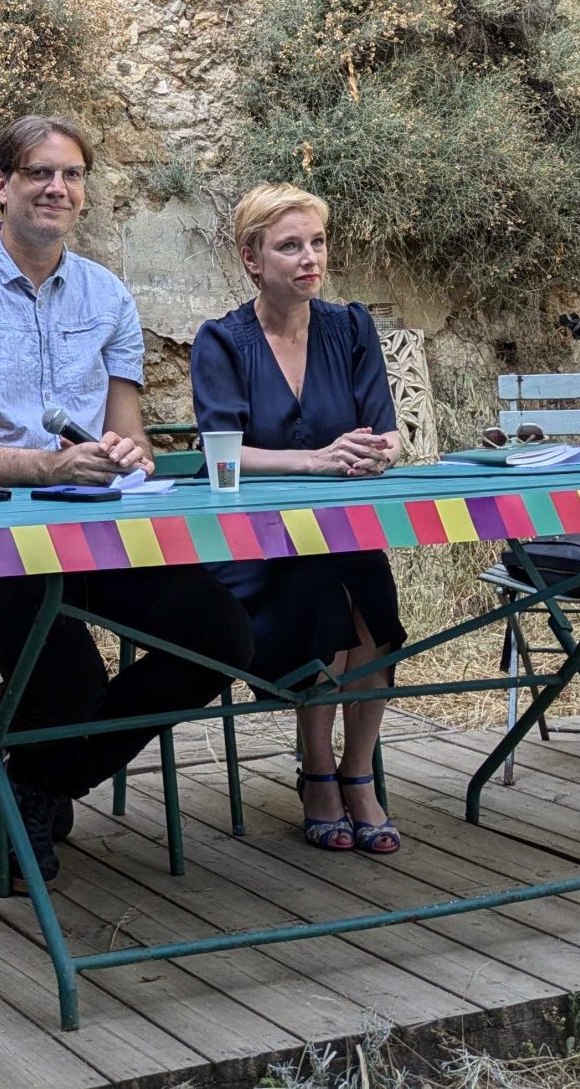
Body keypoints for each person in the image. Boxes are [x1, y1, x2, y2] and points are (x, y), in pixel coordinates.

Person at [0, 115, 255, 880]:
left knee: (221, 633)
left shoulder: (108, 294)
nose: (57, 187)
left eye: (71, 175)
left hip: (93, 531)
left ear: (84, 192)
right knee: (69, 680)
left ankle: (35, 778)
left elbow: (131, 442)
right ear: (2, 185)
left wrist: (125, 453)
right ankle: (34, 777)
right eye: (38, 173)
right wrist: (41, 468)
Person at [191, 183, 407, 854]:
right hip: (254, 541)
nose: (309, 258)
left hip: (342, 527)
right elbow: (220, 457)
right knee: (325, 598)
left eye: (316, 242)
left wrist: (379, 452)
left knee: (372, 602)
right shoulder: (222, 341)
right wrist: (315, 461)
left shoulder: (352, 327)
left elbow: (387, 432)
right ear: (252, 257)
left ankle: (359, 769)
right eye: (290, 246)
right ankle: (318, 769)